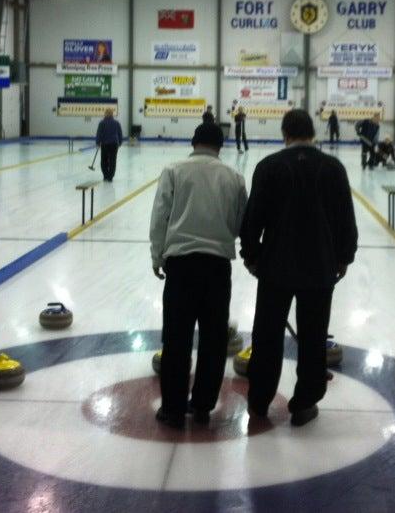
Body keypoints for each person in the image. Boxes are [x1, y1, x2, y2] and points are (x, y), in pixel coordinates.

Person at [240, 110, 358, 427]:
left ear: (285, 134)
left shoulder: (269, 167)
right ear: (312, 133)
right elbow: (345, 218)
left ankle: (259, 403)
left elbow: (253, 219)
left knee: (266, 337)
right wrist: (344, 257)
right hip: (319, 268)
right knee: (313, 337)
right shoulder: (333, 168)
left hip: (275, 268)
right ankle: (305, 403)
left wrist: (251, 255)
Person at [149, 123, 248, 428]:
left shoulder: (174, 170)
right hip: (217, 267)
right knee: (213, 340)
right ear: (221, 146)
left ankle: (173, 410)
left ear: (193, 143)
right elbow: (239, 223)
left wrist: (157, 255)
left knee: (176, 338)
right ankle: (203, 406)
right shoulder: (233, 177)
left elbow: (160, 216)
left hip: (180, 265)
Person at [95, 108, 123, 182]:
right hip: (114, 144)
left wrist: (97, 142)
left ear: (105, 114)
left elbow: (99, 134)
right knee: (112, 160)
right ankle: (110, 176)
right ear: (112, 114)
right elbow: (120, 133)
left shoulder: (102, 123)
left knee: (104, 160)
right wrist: (120, 142)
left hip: (105, 144)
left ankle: (106, 175)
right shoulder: (116, 123)